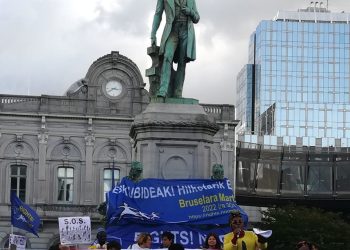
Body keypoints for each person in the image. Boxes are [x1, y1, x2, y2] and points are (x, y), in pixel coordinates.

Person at [151, 0, 200, 98]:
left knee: (182, 62)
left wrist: (190, 12)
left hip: (186, 31)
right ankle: (163, 90)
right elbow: (158, 14)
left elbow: (197, 18)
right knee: (167, 57)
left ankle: (178, 92)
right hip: (172, 30)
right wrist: (153, 33)